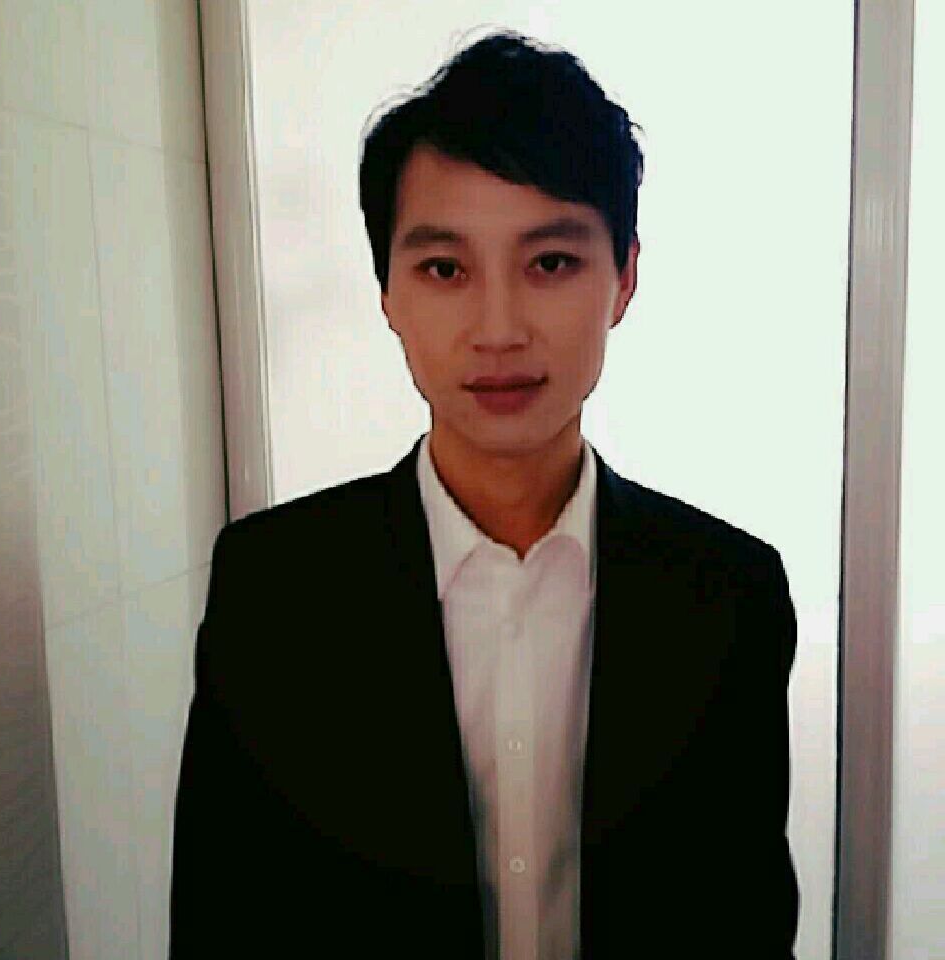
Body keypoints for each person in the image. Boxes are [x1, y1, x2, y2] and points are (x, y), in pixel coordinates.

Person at [168, 29, 799, 960]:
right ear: (387, 291)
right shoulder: (275, 587)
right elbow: (223, 925)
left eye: (550, 263)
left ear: (624, 277)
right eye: (445, 269)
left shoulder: (730, 594)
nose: (497, 330)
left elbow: (742, 925)